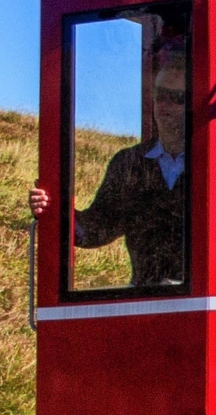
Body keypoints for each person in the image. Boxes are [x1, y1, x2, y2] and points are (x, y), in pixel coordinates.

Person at [27, 36, 189, 288]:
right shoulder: (129, 163)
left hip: (206, 306)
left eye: (178, 98)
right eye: (161, 95)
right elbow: (98, 227)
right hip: (144, 303)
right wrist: (53, 212)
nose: (166, 106)